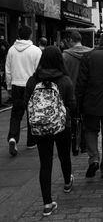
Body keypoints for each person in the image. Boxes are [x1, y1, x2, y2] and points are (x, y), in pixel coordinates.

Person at [24, 46, 75, 217]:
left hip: (40, 127)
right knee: (64, 155)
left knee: (45, 163)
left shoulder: (33, 81)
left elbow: (27, 103)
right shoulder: (65, 80)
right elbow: (72, 104)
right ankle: (67, 183)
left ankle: (47, 204)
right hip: (62, 125)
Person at [76, 32, 103, 178]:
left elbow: (81, 82)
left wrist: (78, 102)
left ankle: (93, 158)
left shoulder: (88, 57)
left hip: (91, 102)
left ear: (100, 42)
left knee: (90, 131)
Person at [5, 25, 42, 156]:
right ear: (31, 35)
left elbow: (8, 70)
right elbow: (39, 70)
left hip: (16, 84)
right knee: (32, 113)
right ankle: (31, 142)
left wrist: (9, 86)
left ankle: (13, 137)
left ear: (19, 35)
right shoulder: (36, 51)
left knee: (16, 114)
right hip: (31, 85)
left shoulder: (11, 51)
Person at [63, 31, 92, 155]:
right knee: (86, 119)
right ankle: (85, 144)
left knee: (72, 119)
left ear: (70, 40)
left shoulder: (65, 56)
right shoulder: (91, 53)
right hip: (88, 91)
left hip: (71, 91)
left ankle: (74, 144)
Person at [0, 35, 9, 106]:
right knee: (3, 82)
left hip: (2, 65)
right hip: (2, 65)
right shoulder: (4, 45)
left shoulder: (4, 45)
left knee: (3, 82)